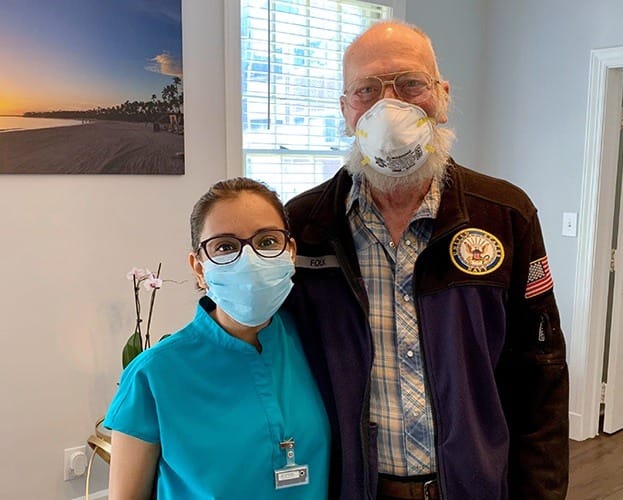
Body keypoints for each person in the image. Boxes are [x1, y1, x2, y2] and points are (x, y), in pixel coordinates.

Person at [284, 19, 569, 500]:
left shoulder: (505, 215)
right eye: (366, 89)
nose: (388, 103)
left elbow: (540, 370)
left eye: (410, 83)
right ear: (345, 110)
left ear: (441, 95)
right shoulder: (305, 227)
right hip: (353, 487)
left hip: (473, 486)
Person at [104, 177, 330, 500]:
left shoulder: (317, 346)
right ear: (198, 268)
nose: (249, 260)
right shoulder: (153, 375)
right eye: (225, 247)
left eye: (267, 241)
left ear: (290, 252)